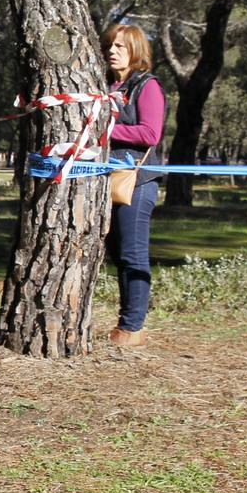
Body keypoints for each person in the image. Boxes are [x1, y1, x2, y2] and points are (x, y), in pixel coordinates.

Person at [103, 23, 167, 348]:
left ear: (136, 51)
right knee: (117, 253)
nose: (112, 51)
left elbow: (149, 134)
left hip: (139, 183)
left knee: (133, 253)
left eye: (120, 47)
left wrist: (106, 130)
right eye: (111, 46)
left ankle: (133, 328)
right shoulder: (111, 86)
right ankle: (126, 322)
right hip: (111, 181)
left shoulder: (148, 86)